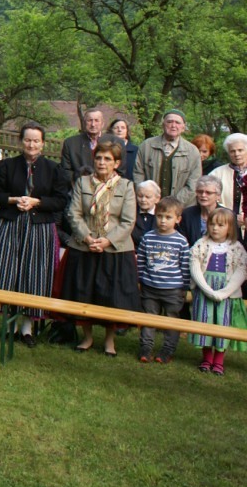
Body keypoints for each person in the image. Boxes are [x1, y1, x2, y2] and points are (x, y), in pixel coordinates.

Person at [0, 122, 70, 347]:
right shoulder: (6, 166)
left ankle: (28, 327)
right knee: (8, 272)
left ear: (43, 143)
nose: (31, 145)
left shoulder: (54, 169)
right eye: (28, 140)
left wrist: (37, 202)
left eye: (36, 141)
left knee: (35, 274)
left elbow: (61, 201)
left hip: (40, 227)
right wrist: (13, 199)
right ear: (21, 141)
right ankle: (10, 323)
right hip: (10, 224)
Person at [62, 141, 138, 357]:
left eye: (107, 159)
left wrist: (106, 241)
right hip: (84, 247)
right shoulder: (82, 182)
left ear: (117, 163)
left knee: (110, 297)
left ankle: (109, 340)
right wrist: (87, 238)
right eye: (98, 158)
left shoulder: (126, 186)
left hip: (114, 250)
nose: (102, 162)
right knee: (83, 293)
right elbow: (73, 213)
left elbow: (128, 221)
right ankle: (87, 337)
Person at [188, 208, 247, 375]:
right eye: (212, 224)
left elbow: (241, 271)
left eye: (220, 225)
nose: (215, 228)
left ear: (230, 228)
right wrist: (207, 290)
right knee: (205, 322)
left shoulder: (236, 248)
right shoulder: (201, 244)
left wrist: (223, 293)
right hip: (205, 292)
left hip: (226, 295)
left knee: (223, 324)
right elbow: (195, 267)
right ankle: (207, 358)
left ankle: (219, 361)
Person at [136, 196, 190, 364]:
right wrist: (141, 280)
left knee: (171, 320)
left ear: (178, 219)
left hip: (173, 290)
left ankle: (167, 350)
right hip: (150, 287)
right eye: (159, 216)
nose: (163, 221)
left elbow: (185, 266)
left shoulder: (181, 241)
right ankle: (146, 348)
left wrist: (184, 287)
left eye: (168, 217)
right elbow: (141, 261)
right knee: (148, 319)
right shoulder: (148, 237)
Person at [134, 108, 201, 206]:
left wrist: (174, 204)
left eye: (177, 122)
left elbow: (194, 183)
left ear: (183, 127)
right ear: (163, 124)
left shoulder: (192, 151)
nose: (173, 125)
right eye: (169, 122)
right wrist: (148, 197)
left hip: (181, 208)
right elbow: (138, 174)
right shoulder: (146, 146)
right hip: (150, 206)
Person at [60, 107, 121, 184]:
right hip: (79, 186)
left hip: (108, 186)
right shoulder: (70, 143)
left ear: (102, 124)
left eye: (96, 120)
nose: (93, 124)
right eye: (89, 120)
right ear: (84, 123)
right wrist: (81, 184)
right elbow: (66, 171)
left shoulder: (115, 142)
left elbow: (120, 170)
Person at [177, 175, 228, 248]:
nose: (203, 195)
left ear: (218, 196)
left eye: (208, 193)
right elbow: (182, 243)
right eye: (200, 192)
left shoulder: (227, 215)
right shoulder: (186, 214)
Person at [212, 133, 247, 233]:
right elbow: (210, 199)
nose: (237, 154)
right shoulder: (216, 173)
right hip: (224, 225)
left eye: (240, 150)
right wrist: (230, 216)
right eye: (232, 151)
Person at [133, 180, 161, 248]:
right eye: (140, 196)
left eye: (148, 197)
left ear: (157, 199)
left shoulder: (162, 214)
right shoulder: (131, 212)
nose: (143, 200)